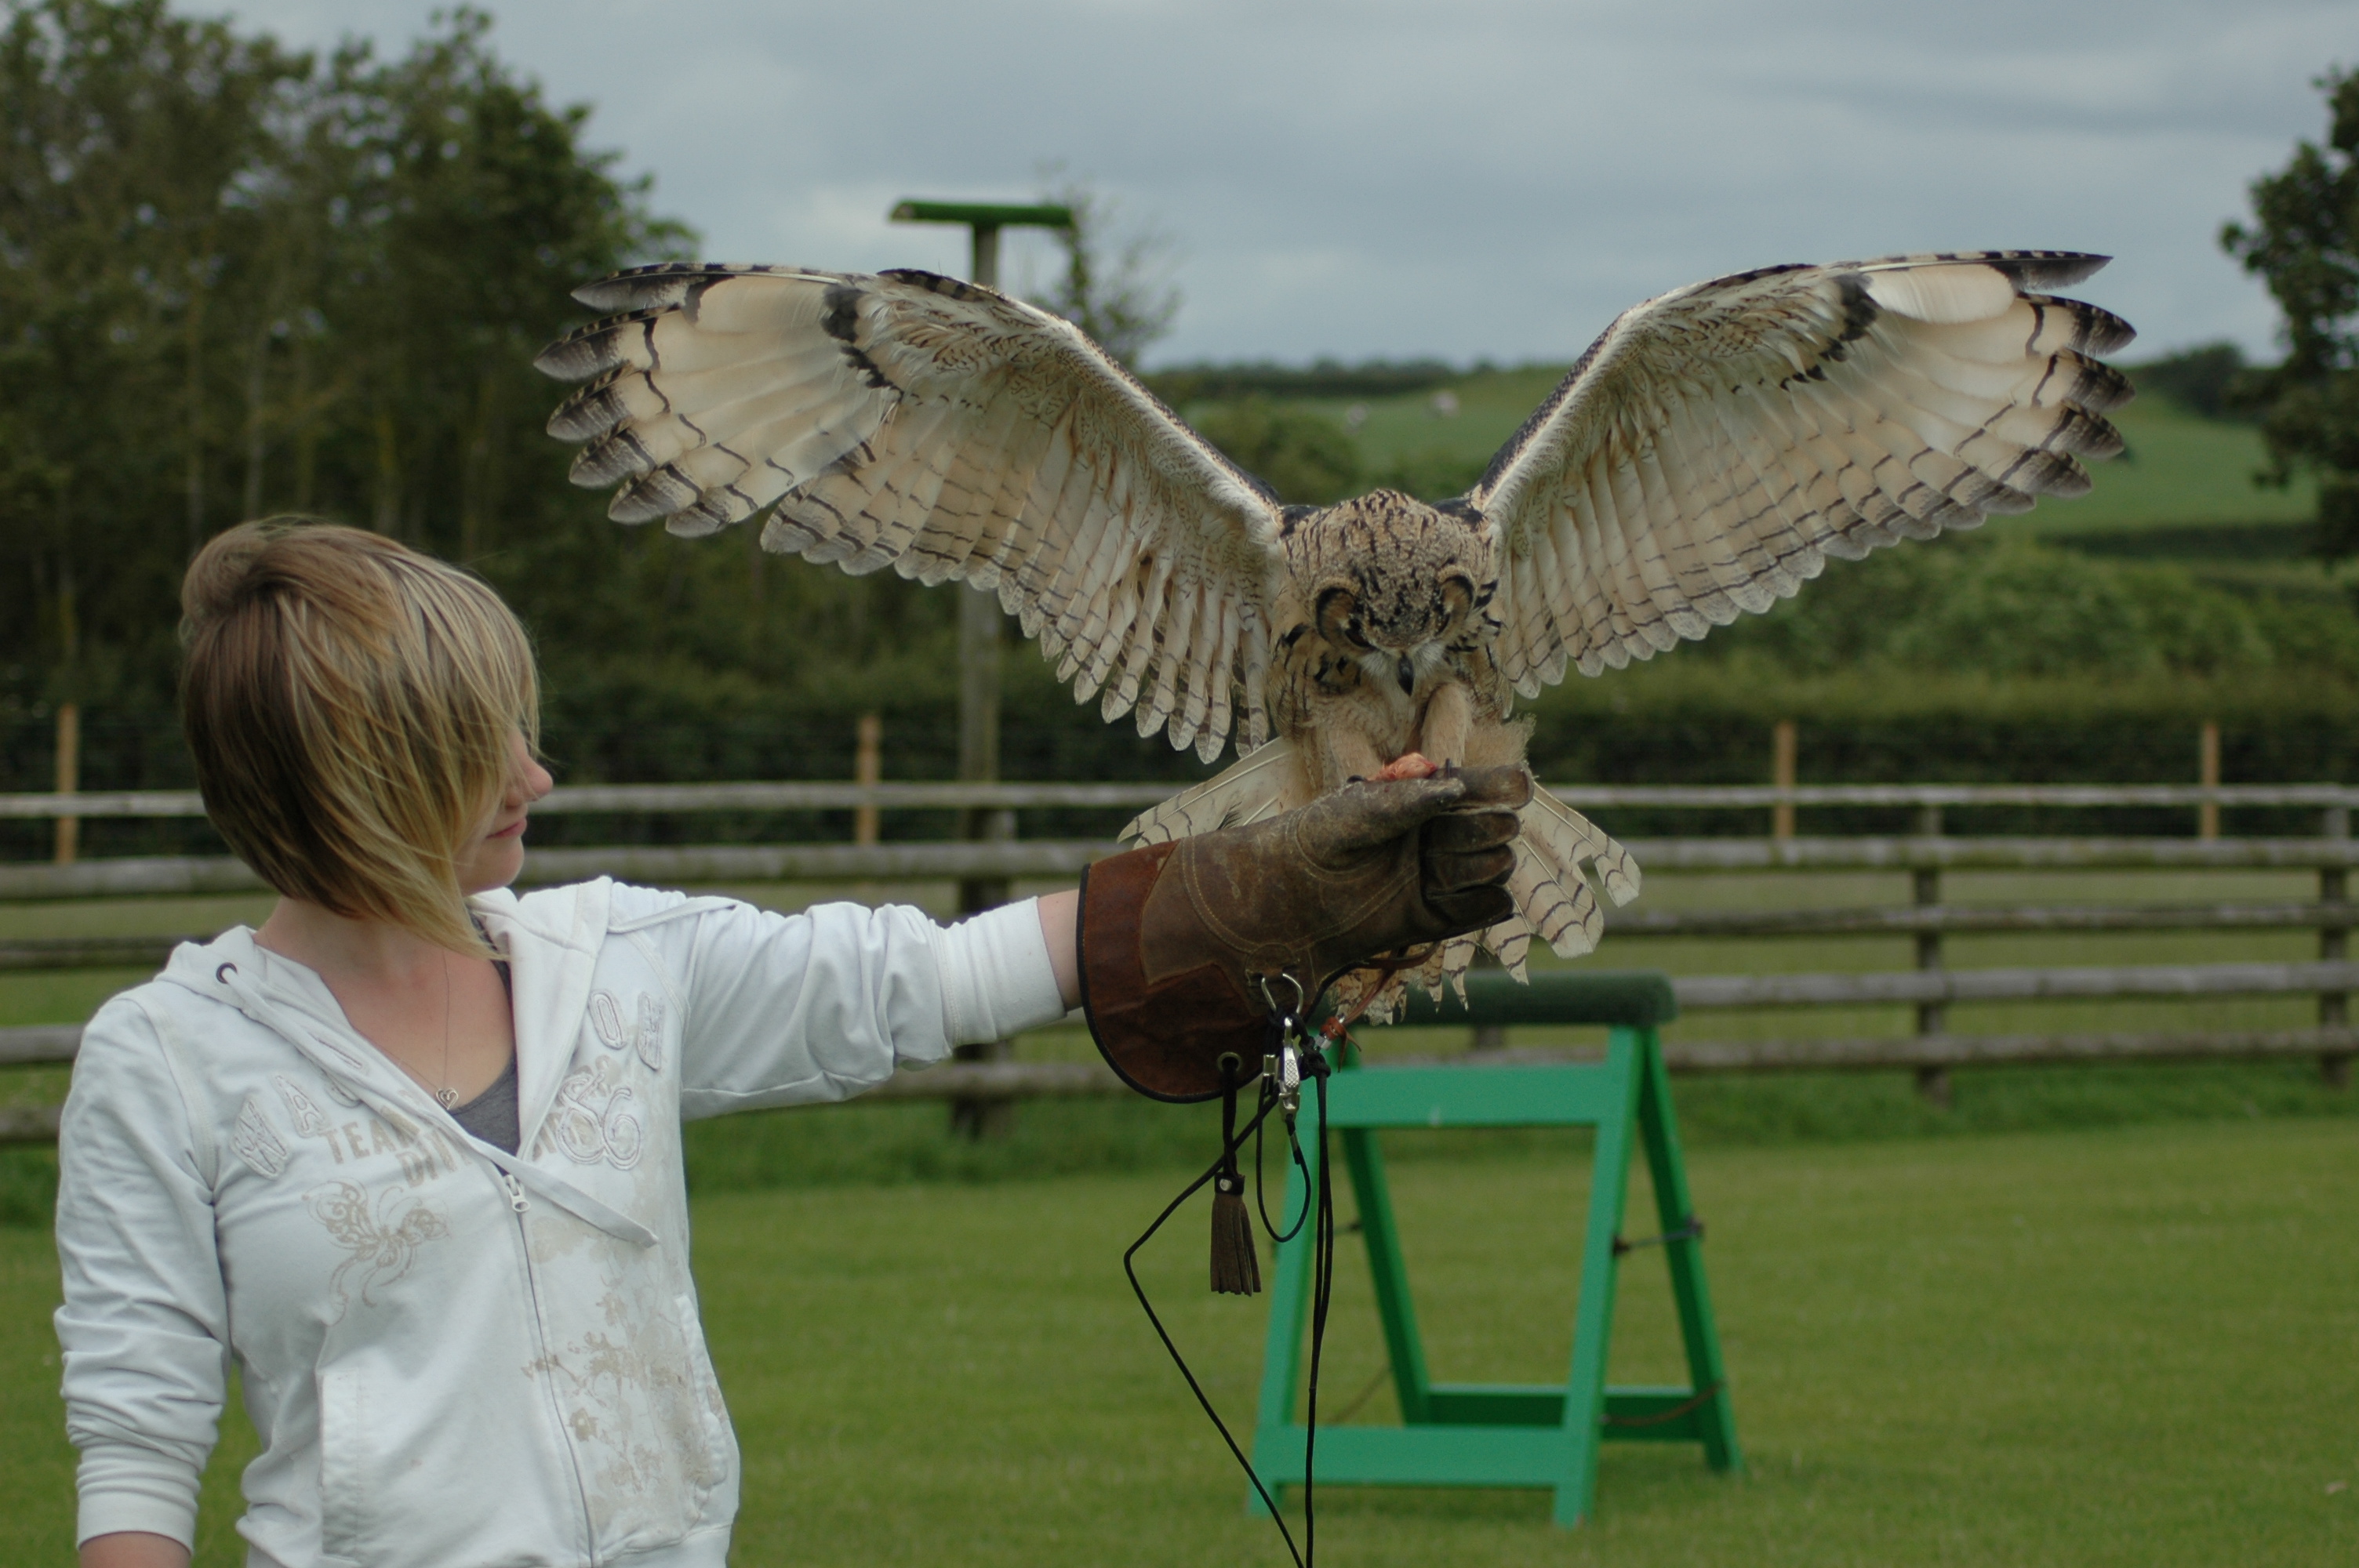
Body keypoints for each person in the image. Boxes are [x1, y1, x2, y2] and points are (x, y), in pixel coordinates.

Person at [56, 519, 1525, 1568]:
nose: (537, 775)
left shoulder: (614, 958)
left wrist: (1257, 882)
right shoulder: (171, 1061)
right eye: (483, 745)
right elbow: (136, 1453)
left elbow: (921, 979)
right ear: (359, 776)